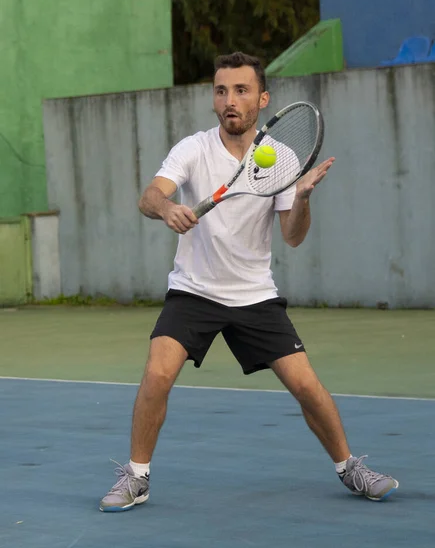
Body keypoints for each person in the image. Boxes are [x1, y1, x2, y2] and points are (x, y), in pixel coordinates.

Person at [100, 52, 398, 512]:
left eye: (240, 91)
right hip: (194, 290)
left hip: (255, 295)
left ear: (262, 99)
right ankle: (136, 478)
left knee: (307, 387)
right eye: (221, 91)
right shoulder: (193, 148)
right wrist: (167, 208)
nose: (229, 100)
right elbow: (150, 194)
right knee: (158, 372)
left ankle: (349, 467)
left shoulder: (279, 158)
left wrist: (301, 199)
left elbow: (293, 237)